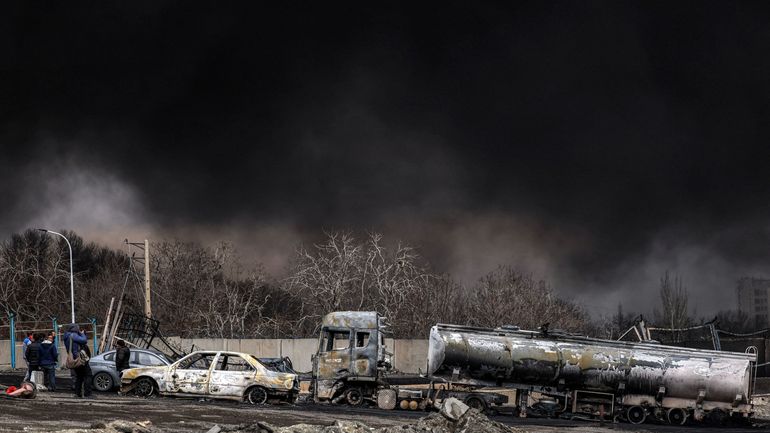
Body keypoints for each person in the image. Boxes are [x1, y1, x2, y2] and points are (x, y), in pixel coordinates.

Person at [63, 324, 93, 398]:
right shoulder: (73, 335)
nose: (78, 329)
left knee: (79, 376)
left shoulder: (66, 336)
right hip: (79, 359)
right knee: (88, 375)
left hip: (73, 359)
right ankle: (87, 393)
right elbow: (84, 340)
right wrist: (82, 333)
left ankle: (77, 393)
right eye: (77, 328)